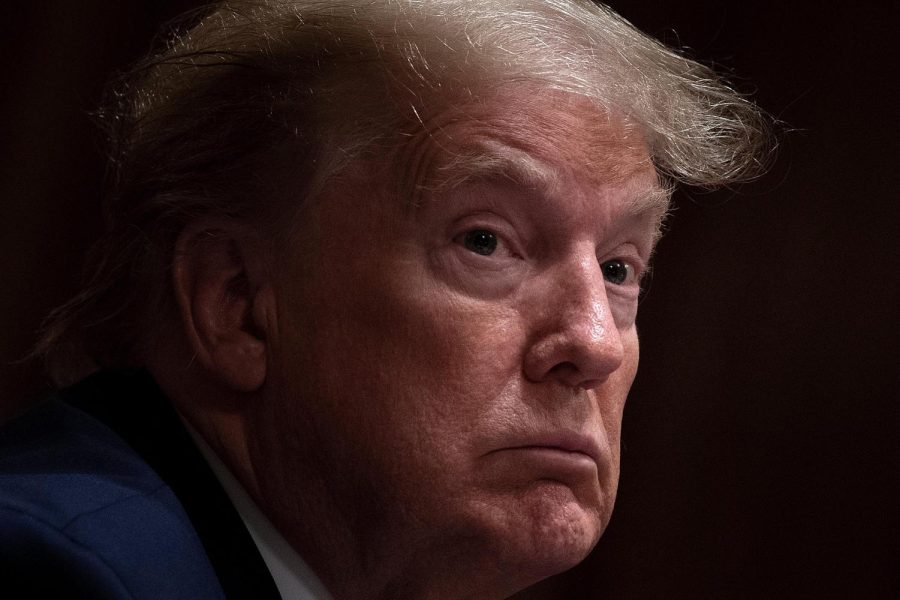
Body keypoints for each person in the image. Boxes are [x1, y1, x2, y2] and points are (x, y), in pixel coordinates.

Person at [0, 1, 768, 598]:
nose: (594, 344)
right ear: (235, 302)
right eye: (484, 241)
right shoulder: (62, 573)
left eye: (618, 268)